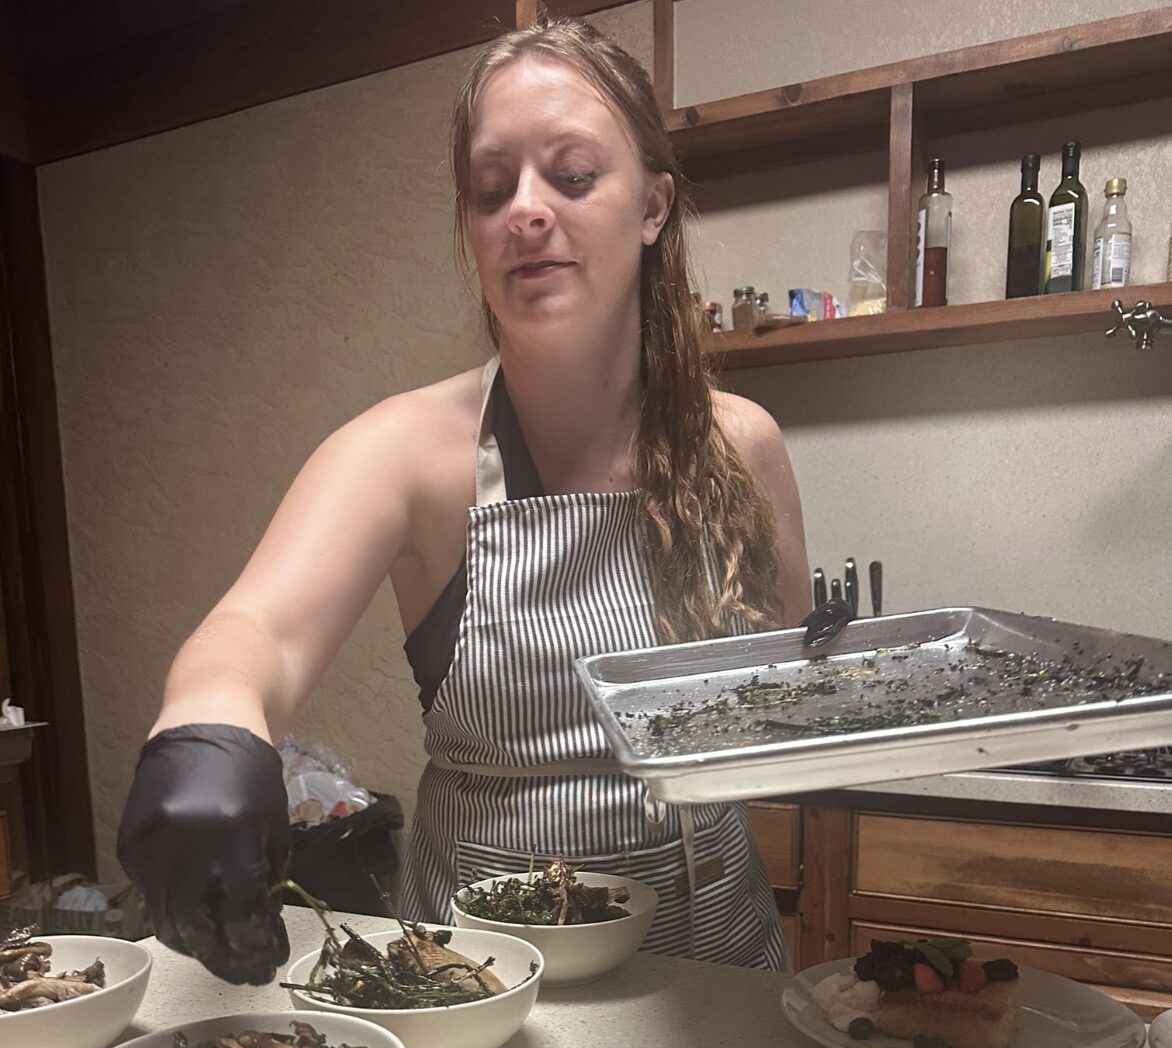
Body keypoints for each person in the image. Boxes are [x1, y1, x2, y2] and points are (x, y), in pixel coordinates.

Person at [117, 16, 811, 986]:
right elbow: (255, 631)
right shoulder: (403, 454)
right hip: (486, 986)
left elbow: (788, 713)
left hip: (719, 973)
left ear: (652, 205)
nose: (525, 210)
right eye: (492, 189)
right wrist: (205, 734)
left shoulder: (743, 446)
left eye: (571, 176)